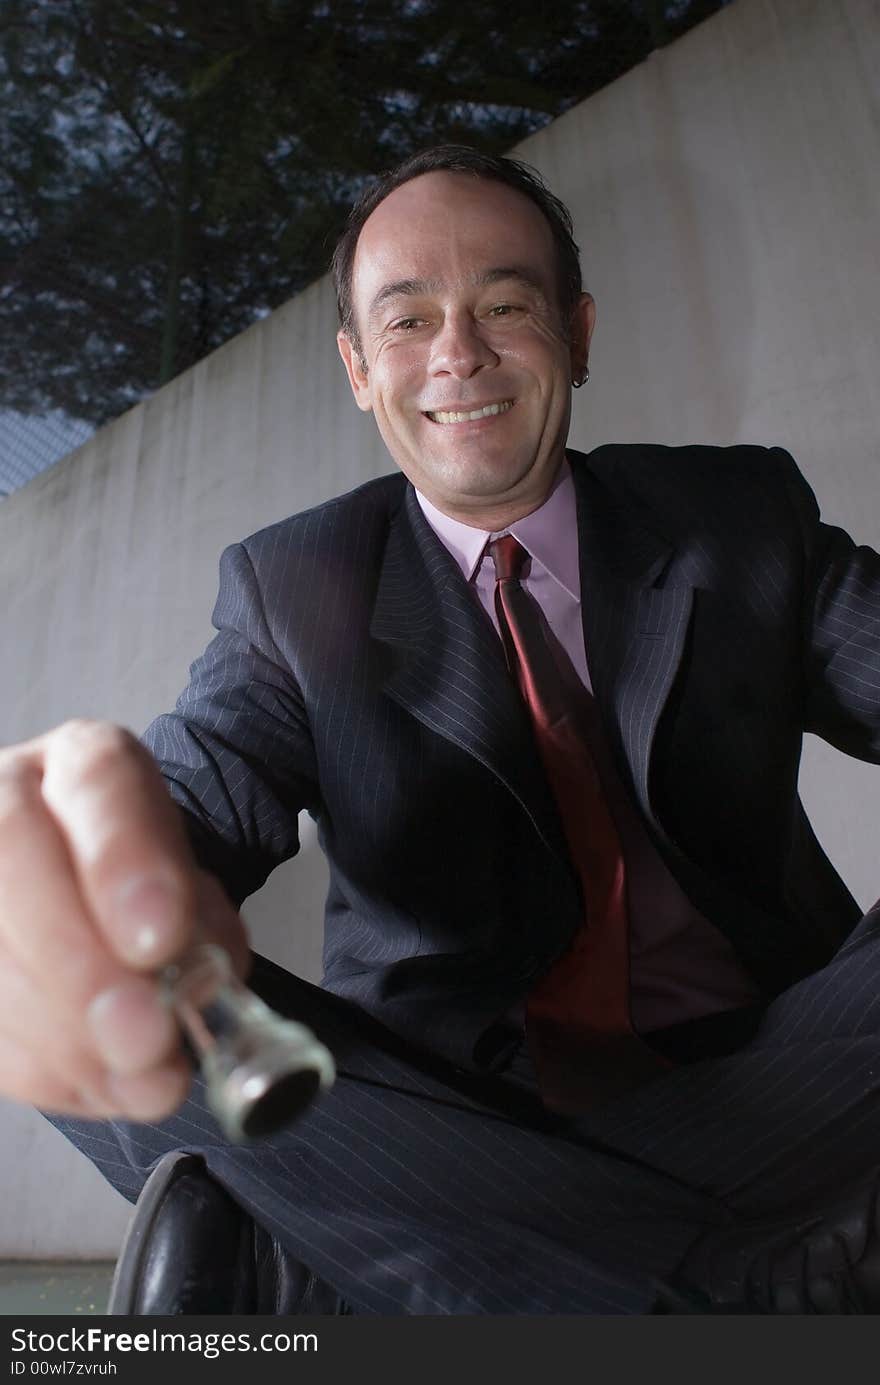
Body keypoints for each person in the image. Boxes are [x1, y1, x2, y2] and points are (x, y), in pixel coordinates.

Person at [3, 144, 880, 1315]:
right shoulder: (292, 586)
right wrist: (79, 876)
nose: (457, 353)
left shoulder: (740, 516)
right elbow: (190, 804)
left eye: (504, 306)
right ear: (359, 370)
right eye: (407, 321)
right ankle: (737, 1278)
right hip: (442, 1105)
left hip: (784, 1068)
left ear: (575, 330)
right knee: (65, 960)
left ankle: (398, 1266)